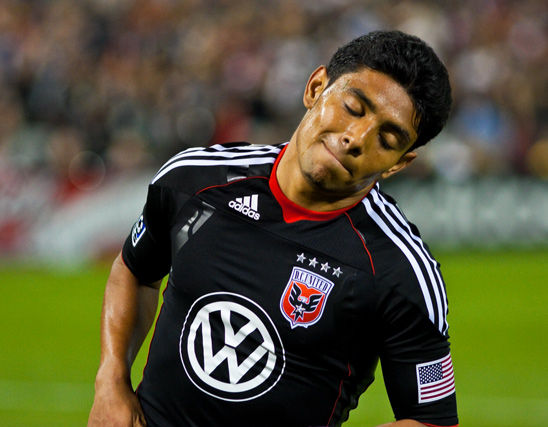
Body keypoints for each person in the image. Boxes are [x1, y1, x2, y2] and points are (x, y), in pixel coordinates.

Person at [88, 30, 457, 427]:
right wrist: (111, 381)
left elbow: (432, 421)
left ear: (399, 163)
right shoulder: (194, 180)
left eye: (386, 139)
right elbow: (135, 271)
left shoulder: (400, 272)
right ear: (316, 88)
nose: (356, 138)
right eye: (352, 107)